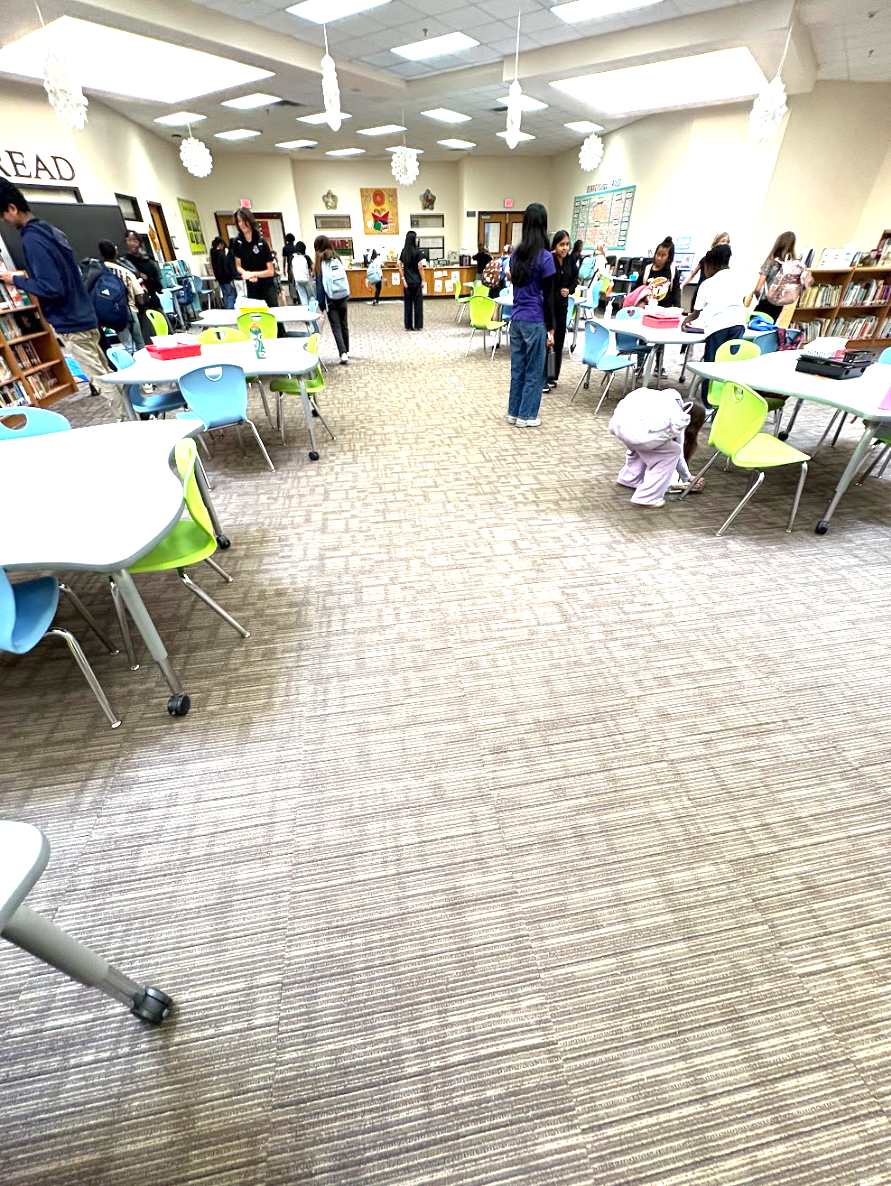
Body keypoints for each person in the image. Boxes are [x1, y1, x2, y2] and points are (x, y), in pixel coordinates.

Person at [0, 180, 120, 416]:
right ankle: (132, 415)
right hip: (85, 316)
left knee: (101, 380)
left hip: (71, 322)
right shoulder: (50, 231)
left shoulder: (32, 240)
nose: (4, 221)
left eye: (3, 215)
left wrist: (16, 280)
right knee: (108, 374)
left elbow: (51, 287)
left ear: (12, 208)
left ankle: (127, 421)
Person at [507, 202, 555, 428]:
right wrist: (551, 328)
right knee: (534, 369)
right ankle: (527, 416)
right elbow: (549, 297)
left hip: (516, 319)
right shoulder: (545, 257)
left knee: (518, 368)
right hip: (535, 320)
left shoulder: (516, 254)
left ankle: (513, 412)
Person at [682, 244, 747, 363]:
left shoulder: (707, 283)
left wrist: (685, 320)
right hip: (738, 324)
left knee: (711, 364)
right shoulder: (741, 277)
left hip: (717, 327)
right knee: (729, 362)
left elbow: (696, 313)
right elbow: (743, 299)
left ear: (711, 266)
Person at [748, 231, 809, 320]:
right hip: (780, 304)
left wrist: (756, 297)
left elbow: (758, 288)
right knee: (770, 326)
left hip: (766, 301)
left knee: (755, 324)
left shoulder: (771, 261)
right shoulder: (793, 266)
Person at [97, 239, 144, 353]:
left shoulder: (98, 271)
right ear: (115, 252)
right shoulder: (124, 271)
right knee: (139, 343)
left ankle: (130, 360)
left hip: (112, 313)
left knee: (128, 345)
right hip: (129, 309)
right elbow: (139, 296)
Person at [313, 234, 350, 363]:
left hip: (330, 299)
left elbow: (319, 286)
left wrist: (321, 305)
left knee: (336, 326)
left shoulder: (320, 261)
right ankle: (347, 350)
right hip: (342, 296)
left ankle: (342, 353)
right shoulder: (337, 257)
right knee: (344, 324)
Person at [231, 208, 278, 306]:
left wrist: (252, 274)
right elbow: (238, 266)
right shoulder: (237, 242)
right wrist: (247, 274)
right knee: (255, 314)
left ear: (249, 220)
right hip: (251, 286)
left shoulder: (262, 242)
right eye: (239, 221)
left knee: (272, 313)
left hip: (267, 285)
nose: (242, 224)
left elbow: (270, 271)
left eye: (244, 220)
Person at [548, 230, 574, 391]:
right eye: (561, 244)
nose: (565, 248)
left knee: (558, 341)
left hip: (562, 306)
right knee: (548, 340)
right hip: (549, 305)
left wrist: (569, 289)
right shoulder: (549, 259)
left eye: (567, 244)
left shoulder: (570, 260)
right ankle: (544, 375)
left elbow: (575, 279)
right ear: (555, 245)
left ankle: (553, 375)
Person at [122, 230, 163, 314]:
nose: (132, 243)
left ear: (140, 243)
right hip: (135, 306)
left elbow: (159, 286)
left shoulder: (148, 262)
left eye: (135, 240)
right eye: (129, 240)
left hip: (152, 302)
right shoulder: (123, 262)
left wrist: (145, 278)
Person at [681, 231, 730, 301]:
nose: (725, 244)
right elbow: (692, 275)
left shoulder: (725, 264)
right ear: (716, 243)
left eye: (728, 242)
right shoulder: (705, 259)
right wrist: (682, 285)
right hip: (700, 293)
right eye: (723, 241)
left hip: (713, 296)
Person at [399, 231, 426, 331]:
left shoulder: (404, 251)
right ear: (413, 239)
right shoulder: (417, 252)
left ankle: (408, 325)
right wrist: (423, 280)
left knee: (408, 304)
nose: (417, 240)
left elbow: (398, 264)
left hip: (407, 282)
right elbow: (420, 267)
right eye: (416, 238)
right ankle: (418, 325)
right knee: (418, 304)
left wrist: (403, 279)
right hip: (416, 281)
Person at [642, 237, 681, 307]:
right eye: (658, 254)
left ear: (669, 258)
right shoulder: (647, 269)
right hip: (647, 308)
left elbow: (676, 291)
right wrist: (645, 297)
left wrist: (678, 308)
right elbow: (637, 289)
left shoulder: (672, 270)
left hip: (665, 309)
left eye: (663, 255)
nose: (659, 258)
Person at [210, 236, 239, 310]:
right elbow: (226, 268)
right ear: (220, 244)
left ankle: (226, 310)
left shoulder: (213, 254)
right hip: (226, 279)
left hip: (219, 279)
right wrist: (231, 278)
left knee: (225, 295)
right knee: (231, 295)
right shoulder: (222, 254)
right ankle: (230, 310)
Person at [292, 241, 314, 306]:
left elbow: (292, 270)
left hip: (298, 280)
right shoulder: (306, 257)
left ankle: (306, 309)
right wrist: (312, 275)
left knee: (303, 297)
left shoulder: (293, 258)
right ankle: (312, 310)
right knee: (311, 296)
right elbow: (312, 267)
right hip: (307, 279)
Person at [282, 232, 297, 302]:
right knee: (297, 281)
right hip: (296, 266)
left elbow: (284, 259)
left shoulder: (285, 248)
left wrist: (284, 269)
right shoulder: (295, 247)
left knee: (291, 282)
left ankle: (294, 297)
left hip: (289, 267)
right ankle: (298, 296)